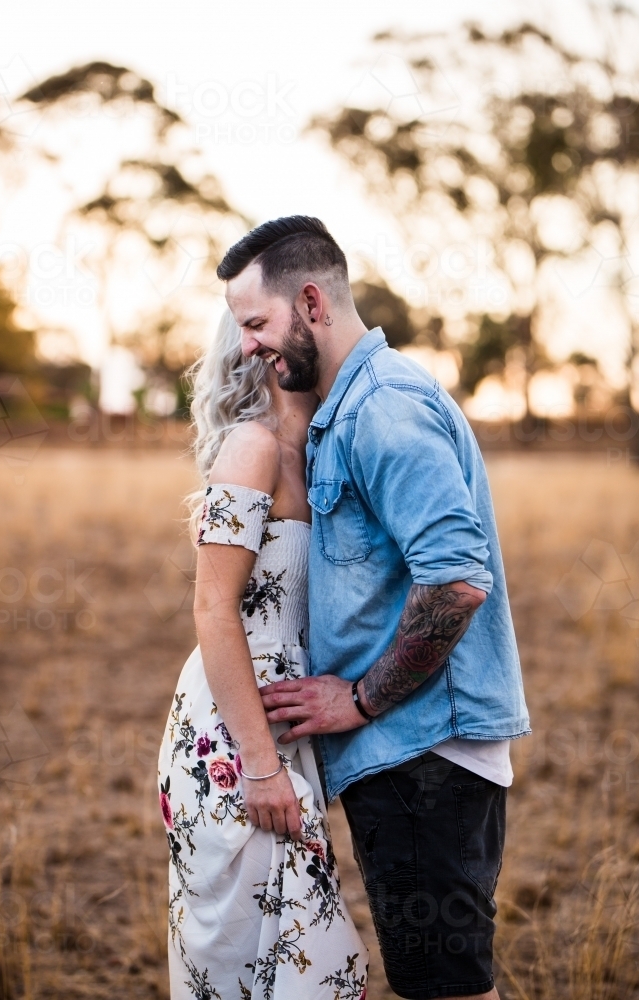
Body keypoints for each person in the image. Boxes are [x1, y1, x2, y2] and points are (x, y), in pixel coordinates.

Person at [217, 216, 531, 1000]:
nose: (247, 346)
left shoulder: (380, 409)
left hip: (423, 755)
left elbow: (457, 580)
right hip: (410, 753)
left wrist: (359, 697)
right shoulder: (350, 406)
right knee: (442, 980)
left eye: (255, 323)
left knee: (444, 988)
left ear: (312, 302)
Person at [157, 310, 368, 999]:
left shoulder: (331, 456)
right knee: (251, 959)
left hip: (287, 718)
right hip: (233, 734)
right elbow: (212, 608)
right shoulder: (252, 446)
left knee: (295, 958)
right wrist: (258, 764)